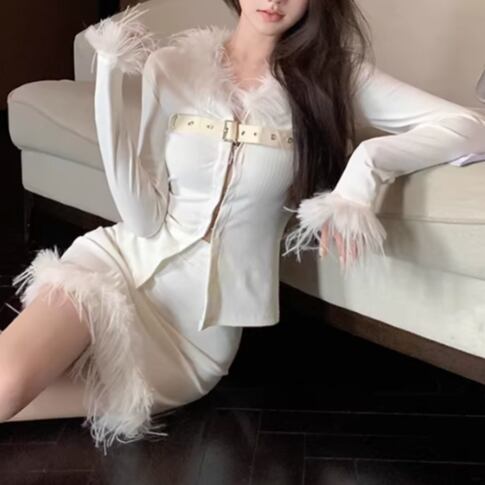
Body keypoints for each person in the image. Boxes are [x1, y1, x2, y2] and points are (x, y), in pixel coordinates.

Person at [2, 0, 485, 456]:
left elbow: (470, 126)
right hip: (115, 266)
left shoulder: (335, 77)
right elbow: (144, 219)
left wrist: (364, 170)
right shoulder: (171, 65)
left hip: (193, 340)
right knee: (9, 383)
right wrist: (108, 78)